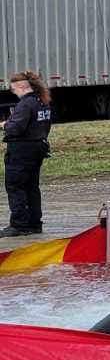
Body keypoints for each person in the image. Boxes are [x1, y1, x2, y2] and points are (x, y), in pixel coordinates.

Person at [4, 70, 53, 236]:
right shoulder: (43, 101)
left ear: (21, 87)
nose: (14, 93)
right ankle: (34, 223)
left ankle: (19, 225)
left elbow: (15, 128)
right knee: (32, 187)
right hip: (37, 147)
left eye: (13, 90)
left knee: (16, 186)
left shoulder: (25, 104)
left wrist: (5, 125)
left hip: (21, 150)